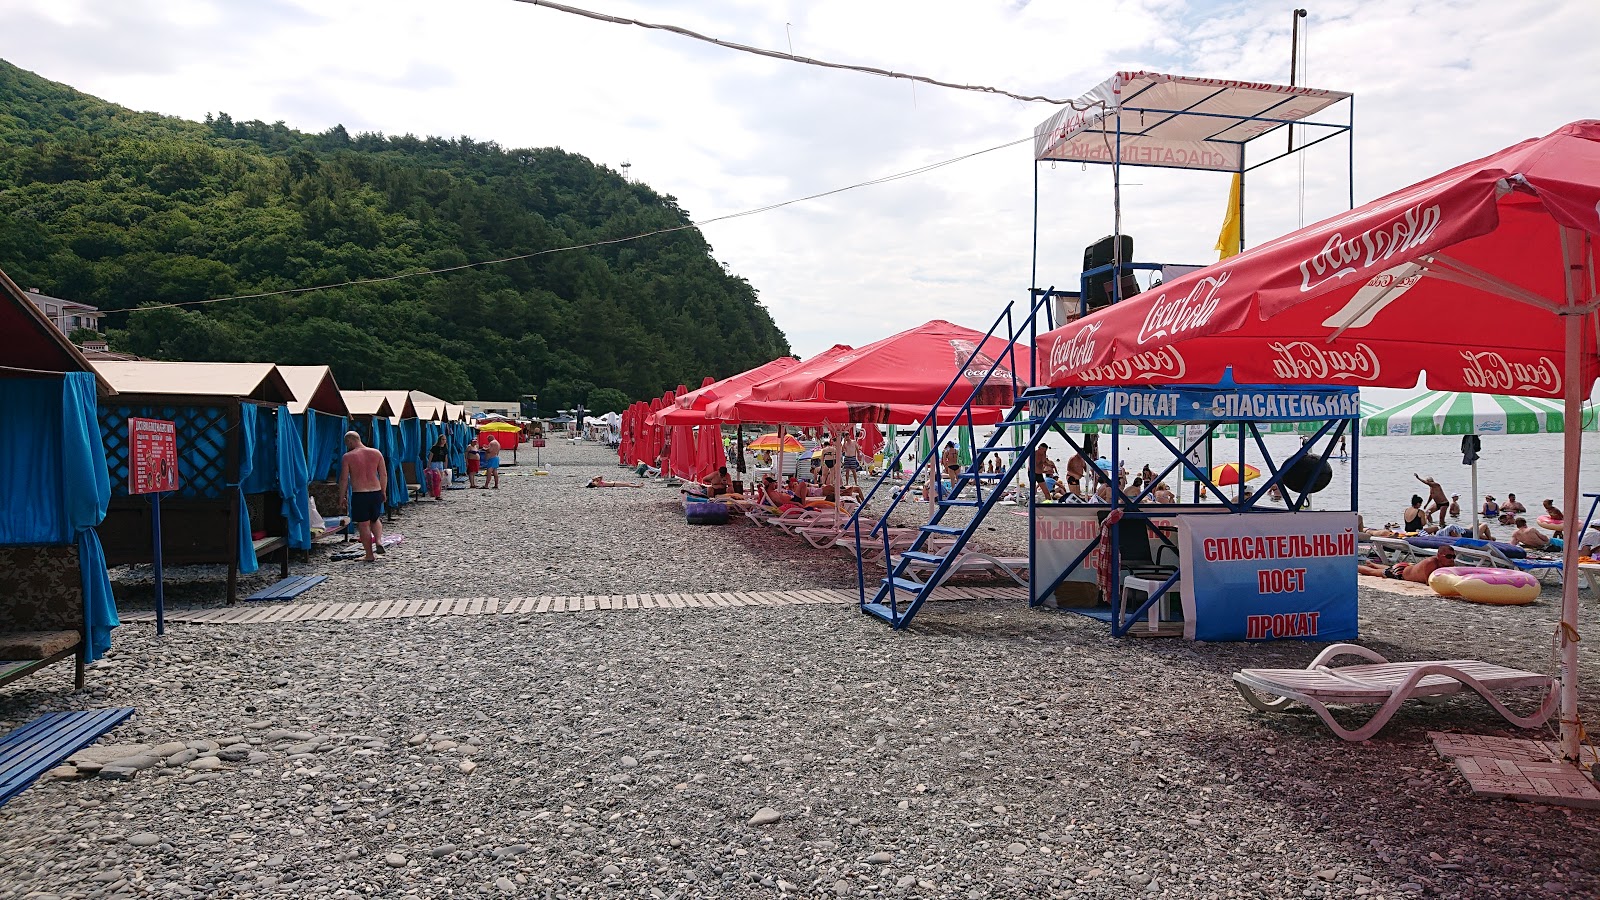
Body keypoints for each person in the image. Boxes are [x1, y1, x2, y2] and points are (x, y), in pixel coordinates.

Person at [337, 431, 388, 562]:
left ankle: (369, 555)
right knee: (375, 519)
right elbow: (383, 475)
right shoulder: (376, 453)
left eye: (347, 444)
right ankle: (378, 541)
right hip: (376, 491)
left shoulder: (348, 457)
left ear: (350, 441)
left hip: (360, 493)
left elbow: (343, 479)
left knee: (364, 524)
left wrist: (342, 497)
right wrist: (383, 491)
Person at [1358, 545, 1459, 583]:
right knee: (1372, 572)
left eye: (1453, 557)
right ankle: (1353, 567)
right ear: (1439, 555)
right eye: (1449, 557)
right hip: (1401, 572)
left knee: (1390, 567)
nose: (1451, 560)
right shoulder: (1430, 563)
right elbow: (1429, 582)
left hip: (1408, 566)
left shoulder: (1448, 563)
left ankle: (1372, 563)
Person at [427, 435, 448, 500]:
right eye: (442, 439)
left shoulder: (445, 448)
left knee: (440, 479)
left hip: (440, 463)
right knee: (436, 479)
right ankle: (436, 494)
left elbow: (445, 458)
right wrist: (429, 464)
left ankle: (438, 494)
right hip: (434, 463)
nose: (444, 441)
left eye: (445, 439)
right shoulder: (434, 447)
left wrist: (445, 468)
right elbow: (431, 456)